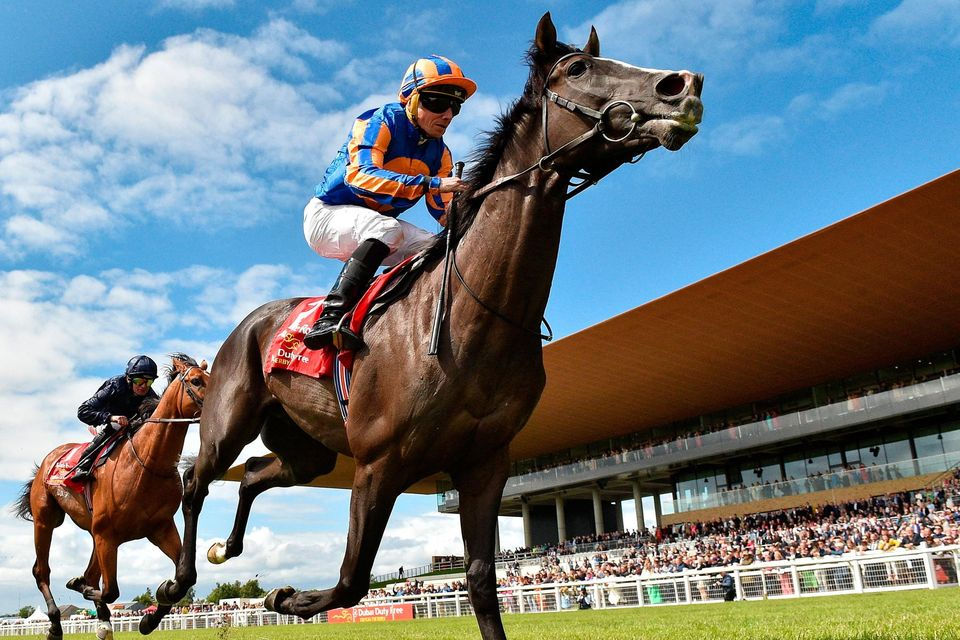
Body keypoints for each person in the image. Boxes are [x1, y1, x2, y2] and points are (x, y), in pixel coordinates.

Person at [301, 54, 476, 350]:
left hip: (375, 225)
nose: (447, 114)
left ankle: (387, 318)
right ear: (410, 99)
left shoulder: (440, 153)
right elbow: (360, 176)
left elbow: (445, 214)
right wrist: (431, 183)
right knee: (387, 230)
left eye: (455, 107)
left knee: (434, 249)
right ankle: (330, 318)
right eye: (437, 103)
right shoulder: (379, 120)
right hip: (326, 216)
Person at [71, 355, 160, 482]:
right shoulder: (115, 385)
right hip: (105, 421)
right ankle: (82, 466)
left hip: (131, 424)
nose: (144, 386)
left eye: (149, 381)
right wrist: (111, 418)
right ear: (129, 378)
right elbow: (83, 411)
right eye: (139, 381)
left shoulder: (150, 395)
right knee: (115, 427)